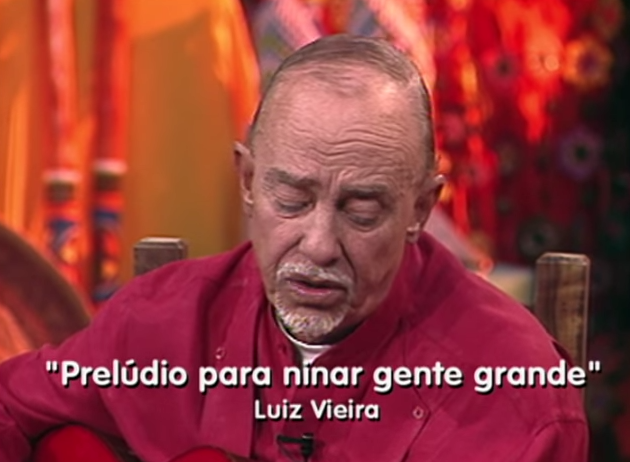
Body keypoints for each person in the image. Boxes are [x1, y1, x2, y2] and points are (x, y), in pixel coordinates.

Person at [0, 35, 587, 462]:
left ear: (420, 209)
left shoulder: (511, 397)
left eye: (361, 211)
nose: (319, 245)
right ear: (248, 180)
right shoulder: (161, 319)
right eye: (291, 200)